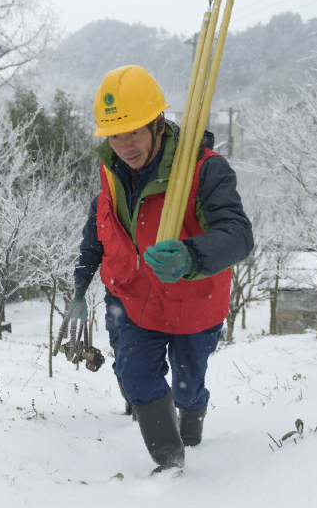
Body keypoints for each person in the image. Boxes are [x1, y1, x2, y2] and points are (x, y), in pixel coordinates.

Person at [70, 65, 253, 474]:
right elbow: (99, 225)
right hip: (133, 299)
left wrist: (191, 256)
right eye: (114, 135)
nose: (123, 145)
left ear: (158, 123)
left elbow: (239, 234)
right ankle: (170, 465)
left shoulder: (204, 169)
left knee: (188, 390)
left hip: (193, 302)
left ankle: (191, 423)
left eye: (133, 131)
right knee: (135, 378)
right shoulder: (110, 170)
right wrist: (81, 282)